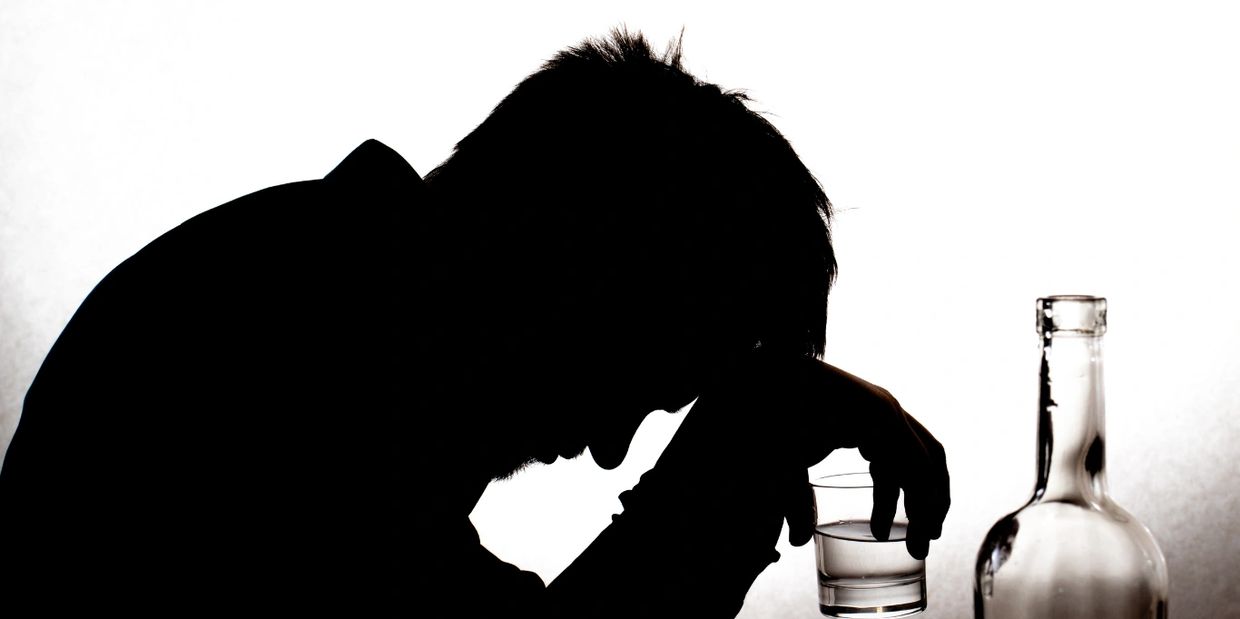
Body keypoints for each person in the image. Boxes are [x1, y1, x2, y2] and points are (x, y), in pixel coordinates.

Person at [0, 30, 949, 617]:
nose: (611, 447)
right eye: (634, 378)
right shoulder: (295, 342)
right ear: (580, 265)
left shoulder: (301, 286)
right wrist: (729, 467)